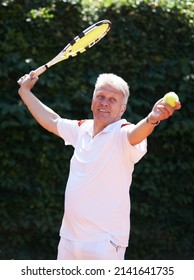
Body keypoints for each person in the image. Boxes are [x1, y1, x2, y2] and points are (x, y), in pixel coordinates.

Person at [18, 71, 181, 260]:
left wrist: (152, 119)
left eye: (112, 99)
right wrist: (25, 92)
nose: (104, 102)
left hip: (105, 243)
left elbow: (136, 134)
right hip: (69, 239)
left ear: (122, 109)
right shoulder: (82, 128)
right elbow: (53, 121)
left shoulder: (122, 132)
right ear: (92, 100)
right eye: (101, 96)